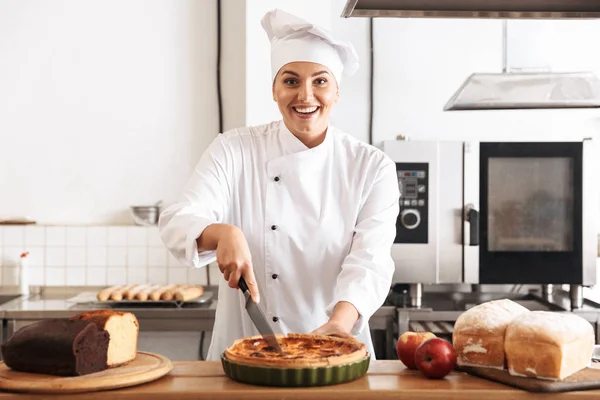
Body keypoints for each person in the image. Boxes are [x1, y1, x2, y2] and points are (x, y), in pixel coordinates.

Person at [158, 9, 400, 361]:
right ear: (274, 89)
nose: (305, 96)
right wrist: (222, 233)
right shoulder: (234, 149)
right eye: (290, 81)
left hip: (335, 351)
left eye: (320, 81)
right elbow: (177, 221)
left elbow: (370, 262)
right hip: (244, 353)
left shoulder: (370, 166)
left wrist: (339, 325)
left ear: (337, 92)